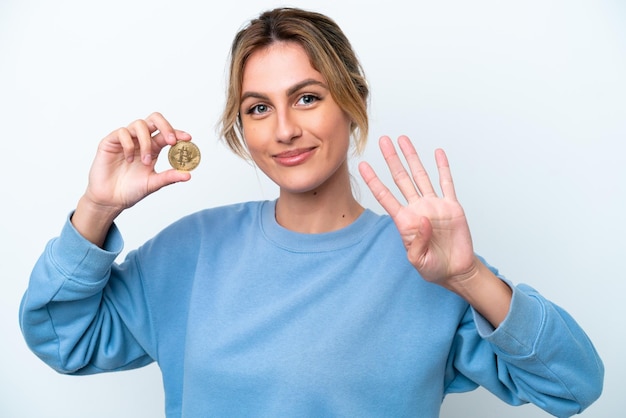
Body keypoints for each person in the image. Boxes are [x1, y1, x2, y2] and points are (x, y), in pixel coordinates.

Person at [19, 7, 603, 418]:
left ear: (351, 103)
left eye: (306, 97)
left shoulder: (428, 261)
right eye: (257, 108)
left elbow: (571, 387)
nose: (285, 130)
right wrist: (96, 208)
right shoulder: (192, 252)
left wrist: (470, 278)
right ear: (240, 128)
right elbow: (64, 340)